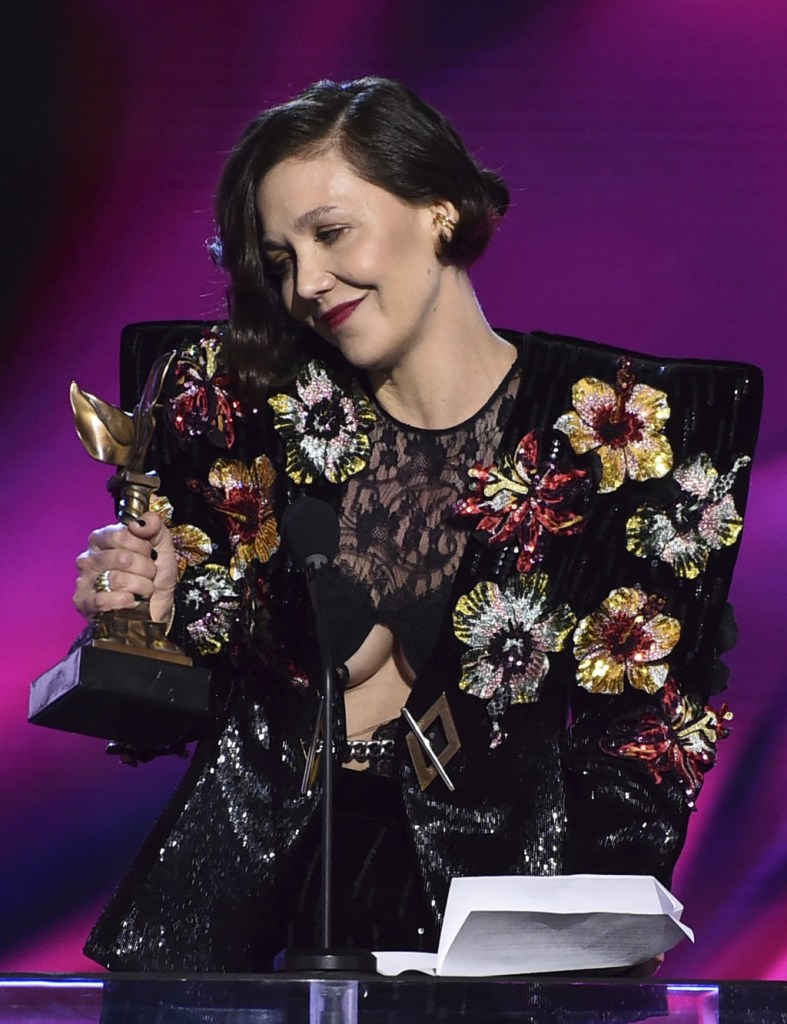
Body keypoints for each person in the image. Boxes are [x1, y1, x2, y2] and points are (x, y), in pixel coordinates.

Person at [73, 78, 762, 972]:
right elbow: (161, 714)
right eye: (280, 259)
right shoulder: (244, 413)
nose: (307, 283)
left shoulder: (624, 430)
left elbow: (646, 735)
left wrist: (589, 946)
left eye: (330, 233)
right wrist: (150, 621)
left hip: (502, 924)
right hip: (253, 908)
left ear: (439, 210)